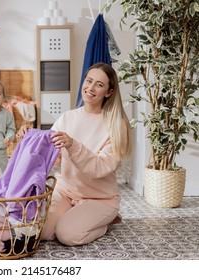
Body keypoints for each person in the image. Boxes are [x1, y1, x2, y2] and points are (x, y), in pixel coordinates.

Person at [17, 62, 133, 246]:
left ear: (109, 92)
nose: (91, 88)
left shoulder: (116, 125)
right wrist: (28, 139)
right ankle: (74, 215)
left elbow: (100, 168)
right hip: (66, 191)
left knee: (67, 235)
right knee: (41, 231)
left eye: (99, 84)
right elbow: (51, 158)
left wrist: (72, 145)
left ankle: (105, 221)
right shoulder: (67, 118)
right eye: (89, 81)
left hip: (99, 199)